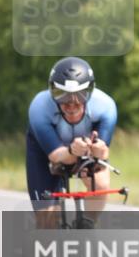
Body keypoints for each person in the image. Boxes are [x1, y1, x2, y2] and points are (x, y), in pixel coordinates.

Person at [26, 57, 117, 227]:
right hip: (46, 151)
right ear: (51, 91)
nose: (72, 103)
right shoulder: (39, 107)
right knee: (47, 223)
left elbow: (103, 153)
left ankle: (88, 224)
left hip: (84, 150)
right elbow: (55, 157)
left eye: (81, 94)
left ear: (91, 90)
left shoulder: (105, 106)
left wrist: (99, 151)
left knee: (100, 184)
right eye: (62, 95)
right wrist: (72, 151)